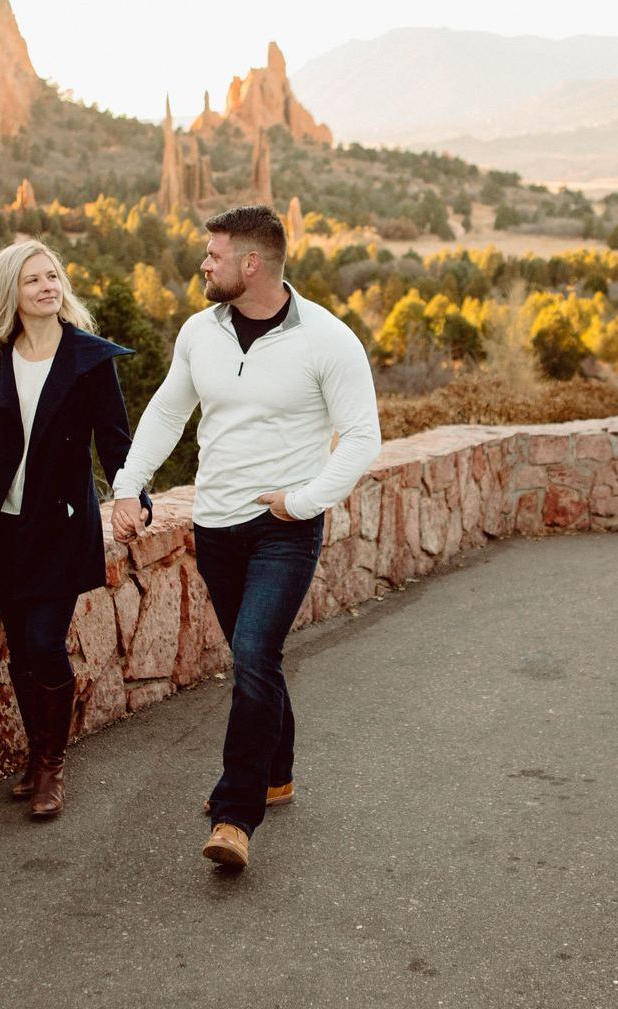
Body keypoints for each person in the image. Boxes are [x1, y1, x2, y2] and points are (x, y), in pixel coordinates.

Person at [109, 205, 380, 869]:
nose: (204, 262)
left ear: (251, 264)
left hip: (283, 527)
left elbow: (363, 435)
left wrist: (304, 500)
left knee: (254, 651)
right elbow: (169, 410)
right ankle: (278, 772)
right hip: (216, 525)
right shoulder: (200, 332)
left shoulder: (327, 338)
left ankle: (237, 812)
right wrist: (126, 485)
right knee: (257, 657)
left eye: (215, 254)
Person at [0, 240, 149, 819]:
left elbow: (115, 441)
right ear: (10, 290)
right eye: (32, 279)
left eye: (52, 275)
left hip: (59, 526)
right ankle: (37, 759)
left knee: (43, 642)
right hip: (1, 530)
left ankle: (53, 767)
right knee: (20, 654)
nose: (46, 286)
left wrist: (132, 498)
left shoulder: (88, 360)